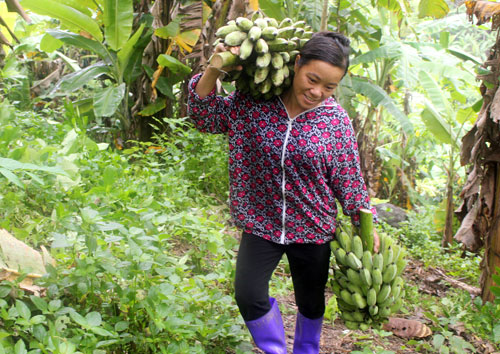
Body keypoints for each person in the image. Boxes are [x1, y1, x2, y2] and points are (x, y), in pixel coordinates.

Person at [187, 31, 379, 354]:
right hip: (262, 221)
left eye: (329, 87)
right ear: (298, 63)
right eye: (313, 79)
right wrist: (215, 68)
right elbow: (203, 115)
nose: (317, 92)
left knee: (311, 304)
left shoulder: (336, 122)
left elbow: (350, 180)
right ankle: (274, 349)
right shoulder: (254, 103)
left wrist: (366, 221)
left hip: (313, 228)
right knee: (248, 293)